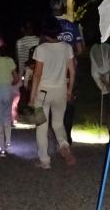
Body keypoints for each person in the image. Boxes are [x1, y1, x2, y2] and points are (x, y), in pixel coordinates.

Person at [30, 23, 76, 169]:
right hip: (61, 91)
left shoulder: (41, 49)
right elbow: (72, 72)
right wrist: (69, 90)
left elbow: (37, 74)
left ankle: (45, 160)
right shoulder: (67, 48)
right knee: (58, 123)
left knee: (41, 126)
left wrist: (32, 97)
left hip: (42, 93)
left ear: (44, 33)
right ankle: (63, 145)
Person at [50, 0, 84, 144]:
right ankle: (67, 135)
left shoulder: (48, 27)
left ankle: (59, 135)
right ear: (64, 8)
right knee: (69, 102)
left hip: (53, 70)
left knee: (54, 102)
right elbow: (80, 49)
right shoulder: (73, 26)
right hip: (70, 70)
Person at [14, 21, 40, 122]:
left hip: (23, 71)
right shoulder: (39, 40)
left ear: (23, 29)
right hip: (37, 70)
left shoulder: (19, 42)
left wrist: (20, 74)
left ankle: (22, 116)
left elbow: (18, 59)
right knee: (37, 95)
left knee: (23, 95)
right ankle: (38, 118)